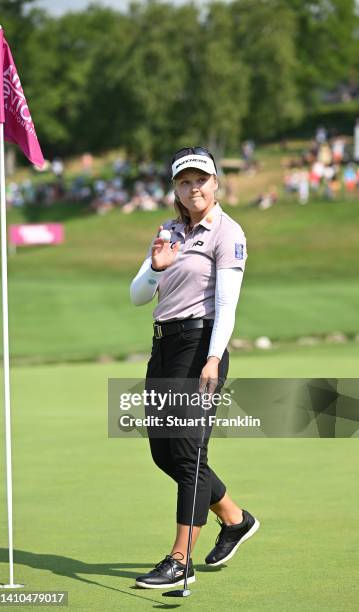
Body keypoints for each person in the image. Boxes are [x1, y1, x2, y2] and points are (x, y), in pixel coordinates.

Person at [130, 147, 260, 589]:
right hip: (164, 346)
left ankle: (179, 559)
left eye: (200, 179)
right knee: (163, 452)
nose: (194, 188)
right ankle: (235, 518)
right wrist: (154, 267)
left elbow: (227, 304)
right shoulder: (168, 231)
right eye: (184, 182)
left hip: (201, 346)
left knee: (187, 453)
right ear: (176, 190)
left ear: (215, 182)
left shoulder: (227, 232)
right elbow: (137, 295)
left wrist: (212, 358)